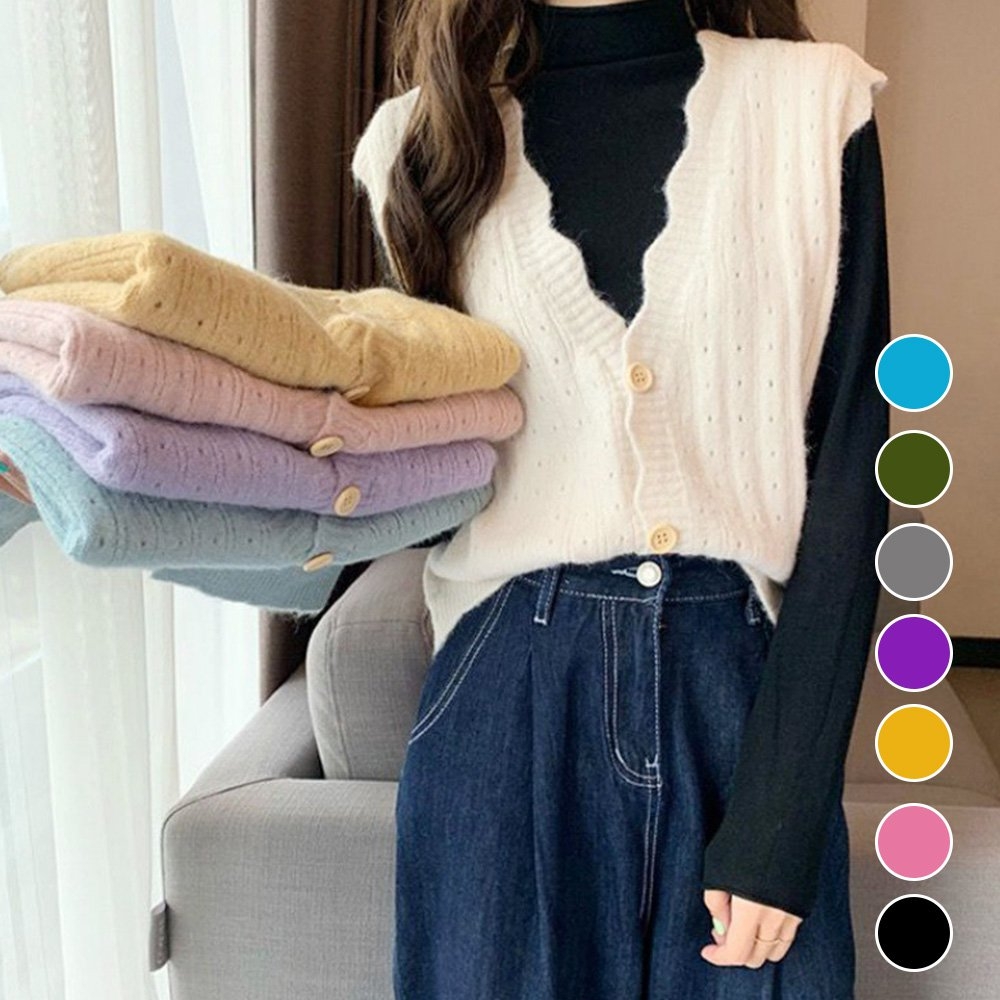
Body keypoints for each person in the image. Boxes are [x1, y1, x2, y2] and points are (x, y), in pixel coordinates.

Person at [350, 0, 891, 996]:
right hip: (508, 699)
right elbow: (422, 464)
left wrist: (782, 816)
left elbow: (856, 463)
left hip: (738, 694)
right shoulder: (418, 146)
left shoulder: (814, 107)